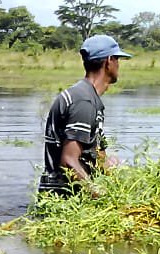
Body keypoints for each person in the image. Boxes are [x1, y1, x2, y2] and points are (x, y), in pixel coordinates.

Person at [37, 34, 131, 197]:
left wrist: (106, 164)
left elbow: (91, 153)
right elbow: (69, 161)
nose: (118, 65)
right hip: (63, 201)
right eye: (117, 59)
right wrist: (99, 195)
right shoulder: (83, 101)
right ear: (109, 61)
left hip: (69, 197)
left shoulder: (87, 96)